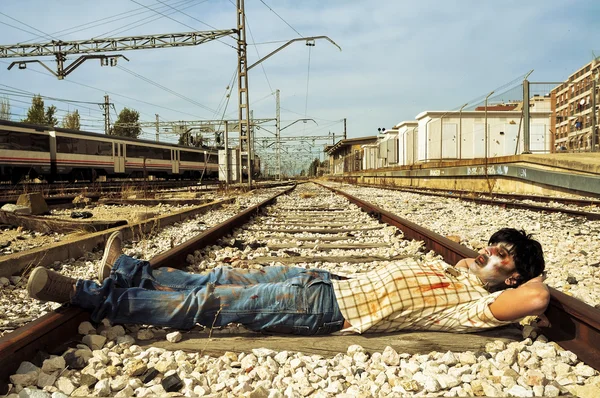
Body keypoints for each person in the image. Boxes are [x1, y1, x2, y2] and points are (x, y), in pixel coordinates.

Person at [27, 228, 549, 335]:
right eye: (492, 244)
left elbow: (537, 296)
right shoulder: (456, 272)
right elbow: (472, 266)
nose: (489, 252)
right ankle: (128, 272)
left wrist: (510, 286)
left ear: (515, 274)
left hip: (324, 309)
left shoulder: (469, 310)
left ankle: (91, 296)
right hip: (321, 279)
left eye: (503, 255)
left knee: (211, 301)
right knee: (221, 275)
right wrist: (473, 266)